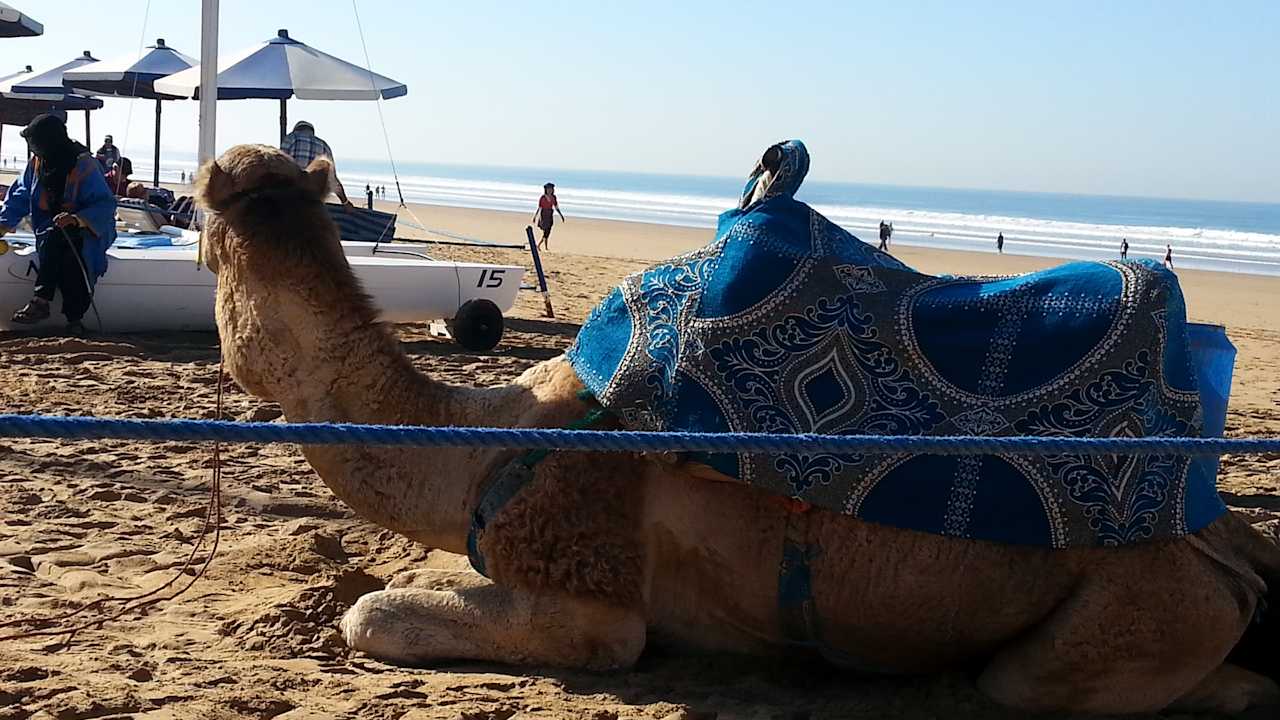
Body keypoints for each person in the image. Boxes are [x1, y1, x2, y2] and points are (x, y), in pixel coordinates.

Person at [0, 114, 117, 335]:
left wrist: (76, 219)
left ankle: (58, 310)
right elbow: (20, 195)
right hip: (50, 228)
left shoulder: (84, 164)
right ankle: (55, 309)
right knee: (56, 238)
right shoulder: (37, 164)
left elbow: (105, 204)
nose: (33, 149)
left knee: (70, 256)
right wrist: (3, 224)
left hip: (88, 230)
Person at [280, 120, 354, 210]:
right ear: (312, 132)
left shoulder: (291, 138)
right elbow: (333, 179)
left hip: (292, 196)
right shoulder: (324, 145)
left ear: (296, 130)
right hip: (314, 202)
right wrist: (345, 202)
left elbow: (280, 166)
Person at [532, 182, 565, 250]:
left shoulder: (554, 197)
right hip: (543, 215)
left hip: (550, 215)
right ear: (546, 190)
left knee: (548, 231)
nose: (550, 190)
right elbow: (539, 208)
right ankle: (543, 246)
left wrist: (561, 215)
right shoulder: (543, 197)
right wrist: (535, 216)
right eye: (548, 189)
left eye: (551, 189)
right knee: (546, 232)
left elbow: (556, 207)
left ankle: (541, 246)